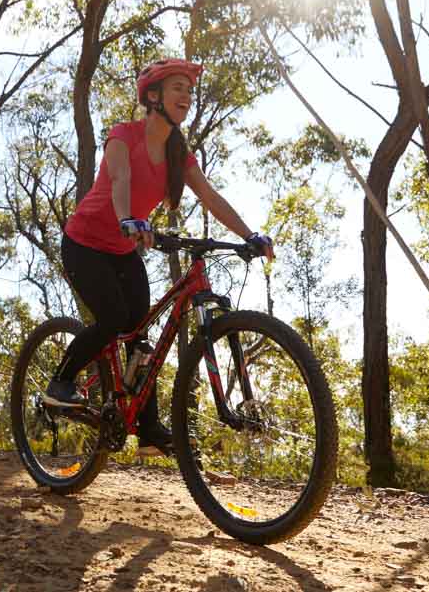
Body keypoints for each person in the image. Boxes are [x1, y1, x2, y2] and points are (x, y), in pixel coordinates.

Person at [44, 59, 275, 457]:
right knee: (115, 320)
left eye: (189, 89)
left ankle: (147, 429)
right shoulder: (124, 135)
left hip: (121, 250)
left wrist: (248, 235)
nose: (187, 96)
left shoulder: (176, 152)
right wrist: (128, 220)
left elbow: (209, 195)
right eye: (177, 88)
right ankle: (60, 382)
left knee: (140, 337)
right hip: (84, 244)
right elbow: (120, 179)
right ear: (153, 97)